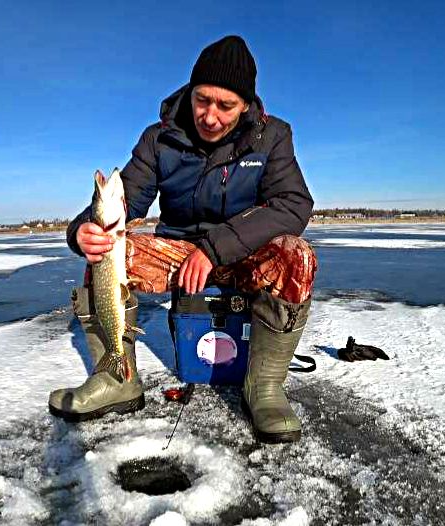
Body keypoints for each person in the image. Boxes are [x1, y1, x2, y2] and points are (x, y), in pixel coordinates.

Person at [48, 35, 317, 443]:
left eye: (225, 106)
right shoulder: (161, 139)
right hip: (178, 253)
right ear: (190, 92)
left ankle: (263, 387)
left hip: (241, 252)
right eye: (202, 100)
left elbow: (294, 205)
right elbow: (124, 202)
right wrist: (80, 231)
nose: (210, 116)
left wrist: (215, 248)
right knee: (107, 249)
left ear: (245, 105)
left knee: (296, 258)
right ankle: (117, 376)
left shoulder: (271, 137)